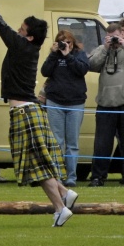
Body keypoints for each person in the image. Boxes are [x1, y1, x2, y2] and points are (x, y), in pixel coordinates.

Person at [0, 0, 77, 226]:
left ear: (28, 37)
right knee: (36, 162)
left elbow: (1, 26)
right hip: (29, 111)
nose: (17, 31)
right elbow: (4, 26)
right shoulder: (29, 47)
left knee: (37, 167)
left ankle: (60, 207)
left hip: (24, 113)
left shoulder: (22, 47)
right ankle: (64, 193)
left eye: (22, 30)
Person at [87, 20, 124, 187]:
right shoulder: (102, 49)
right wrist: (106, 48)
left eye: (116, 37)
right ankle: (98, 177)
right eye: (110, 37)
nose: (113, 40)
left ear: (122, 35)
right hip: (106, 102)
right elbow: (90, 65)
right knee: (102, 143)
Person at [40, 28, 88, 188]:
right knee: (57, 142)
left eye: (68, 42)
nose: (65, 45)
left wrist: (68, 55)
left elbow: (82, 70)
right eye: (62, 43)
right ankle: (58, 176)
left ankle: (71, 177)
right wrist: (54, 54)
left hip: (76, 102)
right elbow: (45, 71)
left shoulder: (79, 54)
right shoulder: (54, 55)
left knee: (72, 143)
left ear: (73, 43)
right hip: (55, 102)